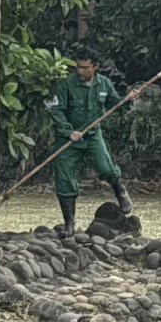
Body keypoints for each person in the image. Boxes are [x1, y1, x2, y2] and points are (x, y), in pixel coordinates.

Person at [49, 53, 135, 228]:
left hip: (93, 136)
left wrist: (128, 100)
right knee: (64, 179)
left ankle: (120, 190)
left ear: (95, 67)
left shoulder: (104, 83)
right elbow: (56, 110)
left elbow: (115, 105)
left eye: (85, 68)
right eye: (78, 67)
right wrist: (69, 131)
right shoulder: (66, 85)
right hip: (69, 139)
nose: (80, 71)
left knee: (106, 168)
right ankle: (69, 224)